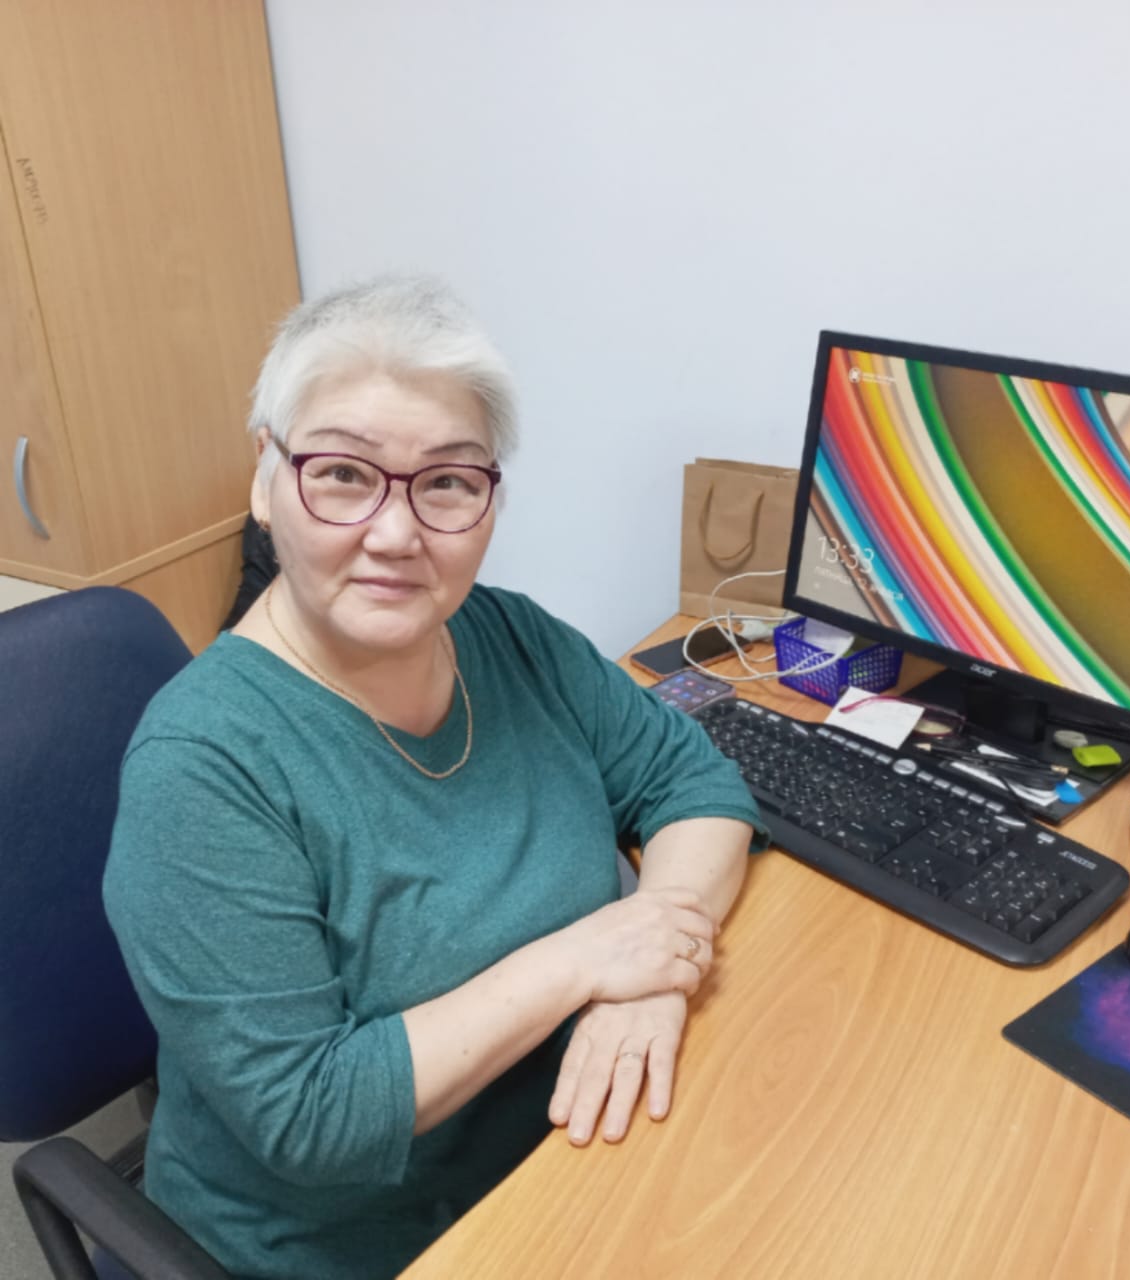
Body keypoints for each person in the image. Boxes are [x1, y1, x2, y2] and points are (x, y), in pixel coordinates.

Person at [103, 275, 764, 1280]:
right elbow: (312, 1116)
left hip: (573, 1156)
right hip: (361, 1246)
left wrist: (656, 961)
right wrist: (586, 960)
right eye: (343, 474)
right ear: (265, 481)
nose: (396, 533)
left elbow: (695, 785)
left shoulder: (510, 636)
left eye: (447, 482)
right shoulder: (201, 769)